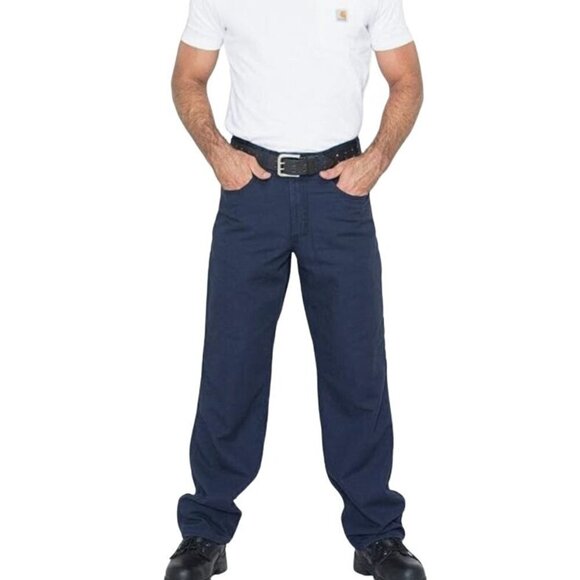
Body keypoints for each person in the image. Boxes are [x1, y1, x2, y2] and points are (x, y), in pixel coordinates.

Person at [165, 0, 425, 578]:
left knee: (356, 366)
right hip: (250, 192)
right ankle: (205, 531)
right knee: (231, 364)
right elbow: (188, 76)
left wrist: (377, 160)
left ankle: (377, 534)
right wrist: (218, 154)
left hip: (340, 193)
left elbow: (406, 80)